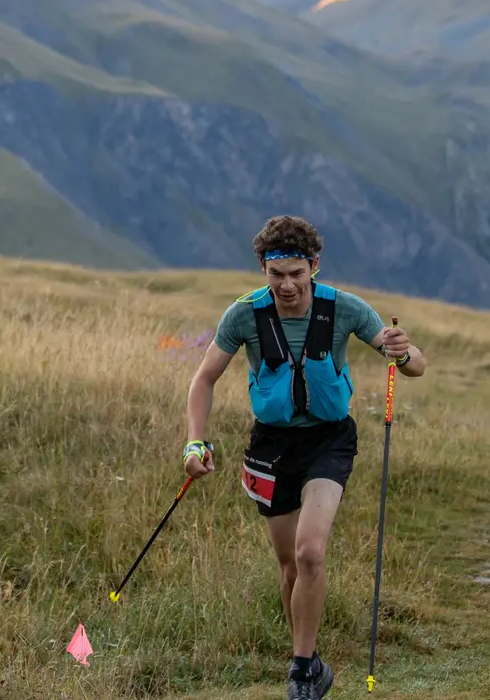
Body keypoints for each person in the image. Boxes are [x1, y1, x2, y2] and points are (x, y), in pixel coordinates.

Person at [182, 215, 427, 700]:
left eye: (297, 273)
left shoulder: (345, 309)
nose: (288, 285)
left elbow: (413, 364)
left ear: (314, 266)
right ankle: (311, 661)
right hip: (270, 446)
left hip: (329, 441)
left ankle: (299, 673)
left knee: (310, 551)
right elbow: (203, 380)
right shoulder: (244, 315)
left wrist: (403, 352)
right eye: (277, 275)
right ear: (262, 269)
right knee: (289, 567)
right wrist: (195, 442)